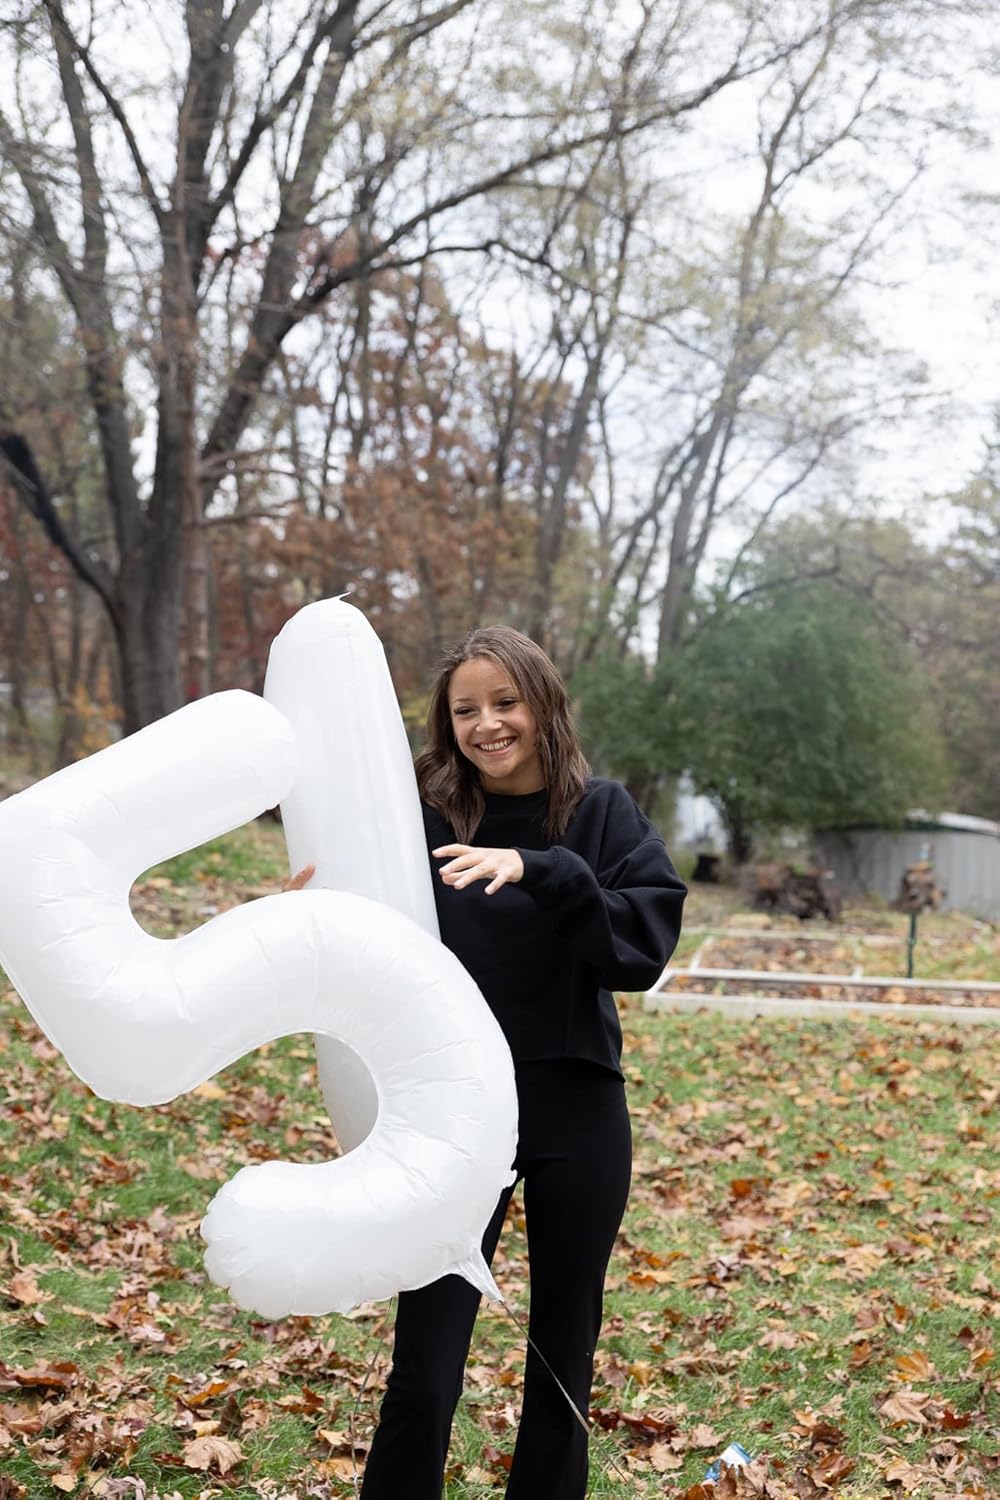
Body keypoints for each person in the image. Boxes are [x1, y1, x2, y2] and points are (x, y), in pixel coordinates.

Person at [353, 625, 686, 1500]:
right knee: (425, 1363)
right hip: (453, 1114)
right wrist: (316, 899)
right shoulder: (422, 819)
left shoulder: (603, 813)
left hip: (575, 1106)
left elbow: (641, 952)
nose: (487, 724)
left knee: (562, 1356)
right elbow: (371, 935)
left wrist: (546, 870)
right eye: (466, 709)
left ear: (543, 705)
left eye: (505, 703)